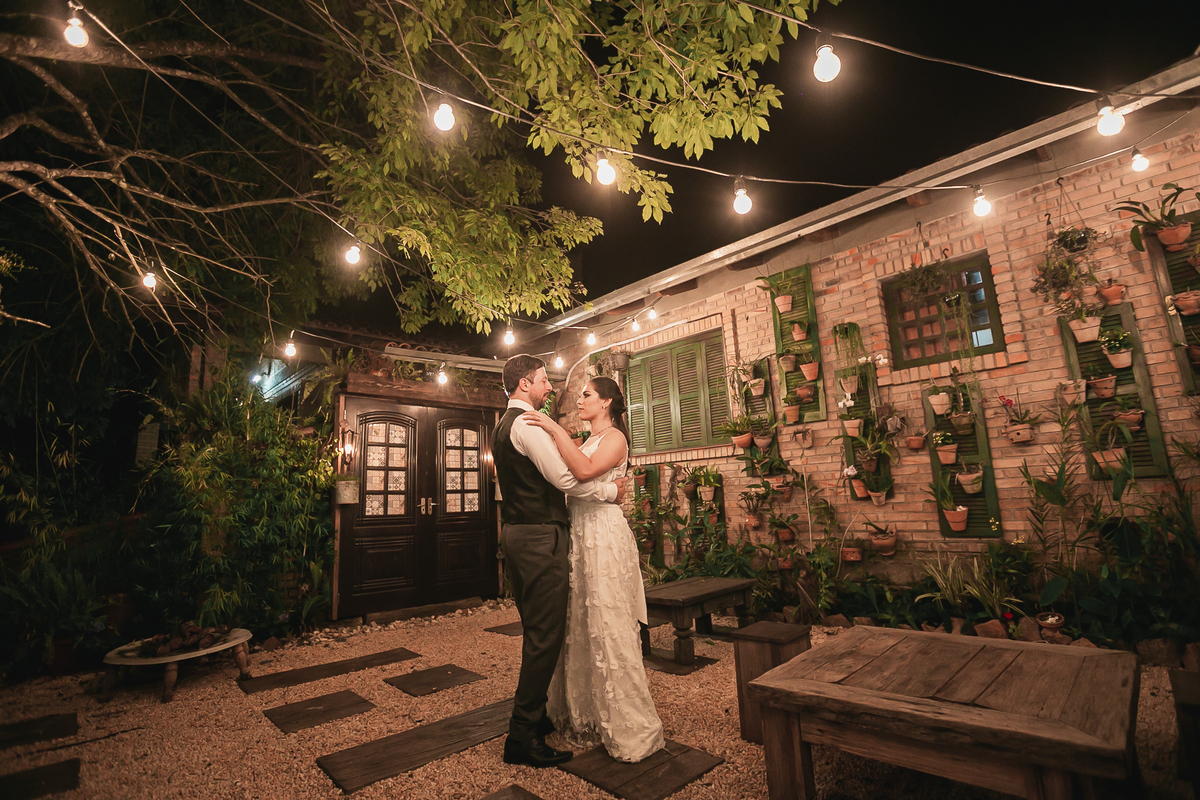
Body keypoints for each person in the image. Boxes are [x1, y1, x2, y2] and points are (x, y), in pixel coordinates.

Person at [521, 375, 665, 763]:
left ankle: (629, 725)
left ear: (606, 403)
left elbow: (583, 473)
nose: (579, 400)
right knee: (580, 623)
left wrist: (551, 426)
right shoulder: (585, 440)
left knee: (608, 622)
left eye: (586, 395)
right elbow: (567, 477)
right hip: (578, 534)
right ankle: (587, 717)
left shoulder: (615, 438)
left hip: (603, 535)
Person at [492, 355, 626, 769]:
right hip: (538, 537)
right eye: (544, 381)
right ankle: (522, 736)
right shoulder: (528, 424)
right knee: (544, 637)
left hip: (519, 534)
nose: (551, 388)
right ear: (524, 384)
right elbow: (567, 479)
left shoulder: (502, 424)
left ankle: (539, 719)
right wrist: (611, 493)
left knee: (540, 631)